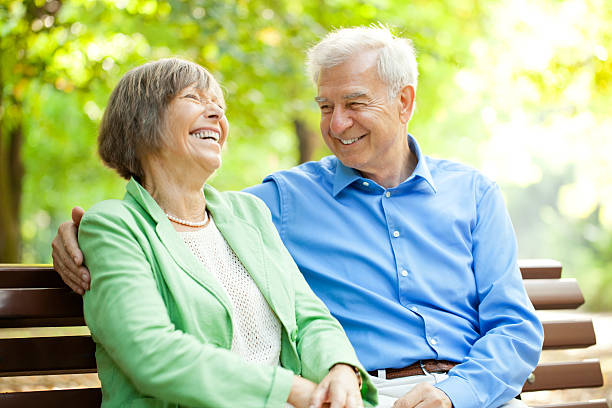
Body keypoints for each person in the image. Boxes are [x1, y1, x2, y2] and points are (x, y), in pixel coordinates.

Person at [52, 27, 544, 408]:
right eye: (326, 106)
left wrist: (457, 392)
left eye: (354, 103)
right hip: (370, 393)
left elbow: (516, 328)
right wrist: (76, 232)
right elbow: (176, 210)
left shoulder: (474, 193)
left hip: (475, 393)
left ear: (404, 101)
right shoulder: (282, 200)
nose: (336, 124)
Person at [68, 57, 376, 408]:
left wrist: (339, 369)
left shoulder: (249, 214)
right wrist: (289, 390)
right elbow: (152, 352)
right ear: (141, 122)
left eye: (219, 105)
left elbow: (308, 317)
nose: (216, 113)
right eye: (194, 98)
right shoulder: (114, 226)